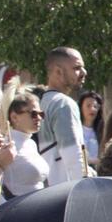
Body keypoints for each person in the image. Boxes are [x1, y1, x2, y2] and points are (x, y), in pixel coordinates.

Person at [37, 49, 88, 187]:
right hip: (65, 193)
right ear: (58, 72)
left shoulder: (42, 102)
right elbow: (75, 157)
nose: (84, 72)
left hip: (47, 193)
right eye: (77, 68)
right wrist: (85, 189)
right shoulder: (63, 104)